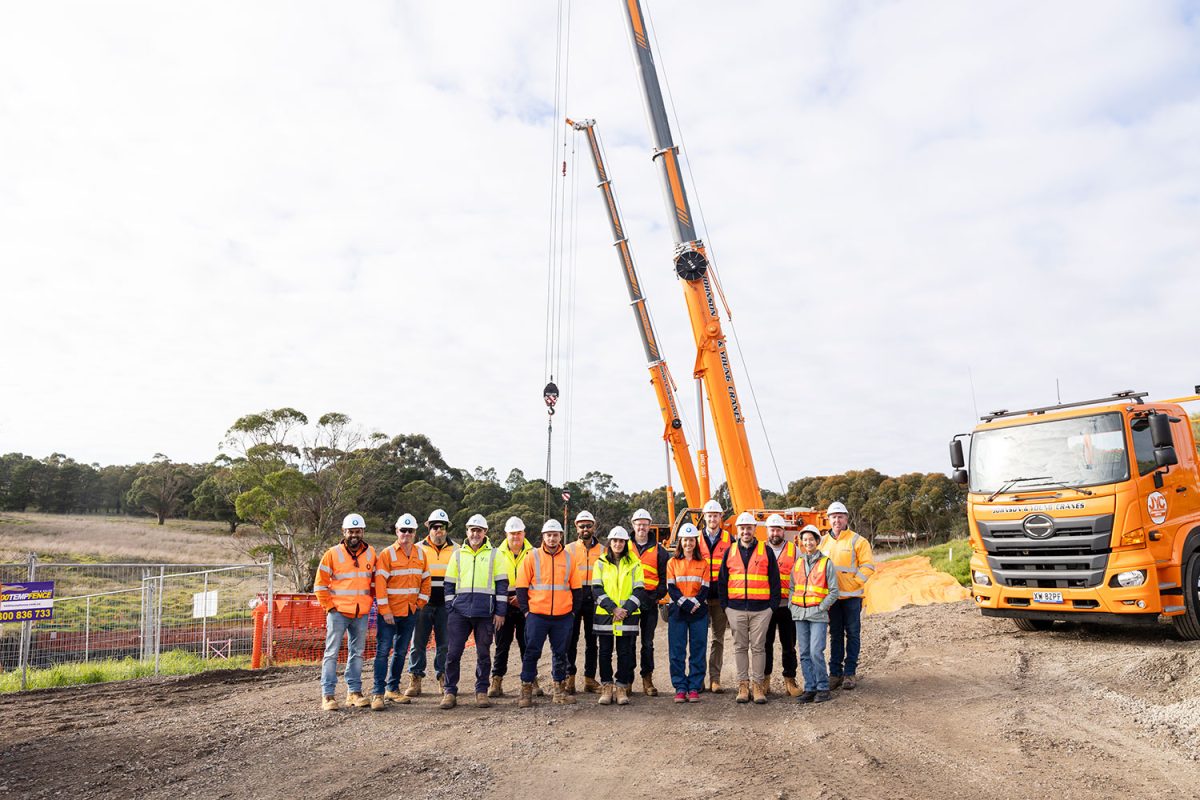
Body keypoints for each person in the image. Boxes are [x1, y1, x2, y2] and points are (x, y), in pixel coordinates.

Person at [440, 514, 507, 709]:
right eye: (472, 530)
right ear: (467, 532)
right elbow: (449, 584)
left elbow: (502, 585)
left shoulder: (495, 554)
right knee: (453, 654)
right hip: (459, 614)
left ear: (485, 532)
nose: (475, 533)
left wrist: (500, 612)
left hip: (485, 614)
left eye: (479, 530)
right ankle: (450, 692)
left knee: (483, 654)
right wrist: (451, 608)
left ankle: (481, 691)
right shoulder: (458, 554)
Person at [515, 519, 584, 707]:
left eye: (555, 535)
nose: (552, 538)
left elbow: (577, 590)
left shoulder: (569, 558)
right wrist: (526, 612)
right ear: (543, 537)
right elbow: (521, 586)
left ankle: (559, 691)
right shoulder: (532, 556)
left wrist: (572, 614)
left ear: (560, 536)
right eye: (548, 535)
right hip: (537, 615)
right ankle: (526, 691)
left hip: (562, 617)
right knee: (531, 652)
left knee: (560, 654)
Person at [314, 513, 377, 711]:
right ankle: (328, 695)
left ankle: (354, 693)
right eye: (351, 531)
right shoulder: (332, 554)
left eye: (358, 531)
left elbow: (375, 582)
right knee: (331, 653)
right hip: (338, 612)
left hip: (361, 613)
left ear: (363, 532)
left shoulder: (371, 553)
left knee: (357, 653)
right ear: (344, 532)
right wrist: (330, 607)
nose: (354, 535)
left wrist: (371, 604)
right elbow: (320, 584)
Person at [718, 511, 781, 704]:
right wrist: (726, 607)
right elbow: (722, 581)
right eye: (742, 528)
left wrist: (772, 607)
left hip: (761, 610)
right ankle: (743, 685)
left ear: (755, 529)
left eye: (749, 528)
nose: (746, 531)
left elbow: (775, 580)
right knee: (740, 647)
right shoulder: (731, 550)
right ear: (738, 530)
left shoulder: (765, 550)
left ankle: (758, 686)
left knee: (759, 648)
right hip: (735, 608)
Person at [370, 513, 430, 710]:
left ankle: (392, 689)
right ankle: (378, 693)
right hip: (389, 613)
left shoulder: (421, 554)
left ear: (415, 533)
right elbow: (380, 584)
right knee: (382, 652)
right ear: (397, 531)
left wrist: (420, 603)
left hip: (410, 611)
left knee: (401, 652)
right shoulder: (387, 554)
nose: (406, 534)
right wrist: (385, 610)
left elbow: (426, 581)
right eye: (403, 530)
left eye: (410, 531)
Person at [820, 501, 877, 690]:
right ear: (828, 519)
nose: (837, 520)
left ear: (846, 518)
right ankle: (835, 674)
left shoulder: (858, 541)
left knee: (852, 634)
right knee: (835, 635)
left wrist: (855, 582)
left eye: (840, 516)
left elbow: (868, 566)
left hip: (852, 598)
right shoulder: (823, 542)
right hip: (833, 599)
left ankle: (850, 673)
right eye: (833, 517)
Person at [592, 525, 647, 706]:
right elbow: (596, 589)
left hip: (627, 616)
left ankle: (622, 686)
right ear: (610, 542)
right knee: (605, 652)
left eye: (621, 541)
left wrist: (625, 610)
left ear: (626, 543)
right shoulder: (600, 562)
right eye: (615, 540)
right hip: (606, 615)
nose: (618, 544)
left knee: (625, 652)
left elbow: (639, 589)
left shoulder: (635, 563)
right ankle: (607, 686)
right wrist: (613, 609)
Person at [406, 508, 454, 698]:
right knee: (418, 643)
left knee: (444, 644)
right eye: (434, 527)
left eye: (441, 527)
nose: (438, 531)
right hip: (423, 604)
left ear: (446, 528)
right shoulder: (417, 548)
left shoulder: (457, 550)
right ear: (429, 528)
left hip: (446, 605)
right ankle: (415, 678)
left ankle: (443, 677)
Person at [790, 524, 838, 703]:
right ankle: (810, 688)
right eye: (805, 539)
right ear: (801, 542)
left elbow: (834, 591)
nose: (808, 542)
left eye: (811, 539)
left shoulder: (826, 563)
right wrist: (792, 607)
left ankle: (823, 688)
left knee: (816, 651)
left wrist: (821, 607)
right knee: (804, 653)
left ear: (817, 541)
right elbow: (792, 588)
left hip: (817, 615)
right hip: (800, 614)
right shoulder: (798, 563)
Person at [490, 515, 534, 698]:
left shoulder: (534, 553)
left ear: (524, 533)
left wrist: (523, 598)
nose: (515, 537)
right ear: (506, 534)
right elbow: (491, 581)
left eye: (518, 533)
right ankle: (496, 680)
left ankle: (530, 681)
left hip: (526, 604)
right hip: (503, 605)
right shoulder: (496, 554)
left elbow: (539, 579)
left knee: (528, 644)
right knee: (502, 644)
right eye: (512, 533)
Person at [665, 522, 709, 702]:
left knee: (698, 650)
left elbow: (705, 588)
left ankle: (694, 687)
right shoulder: (672, 562)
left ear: (695, 542)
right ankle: (680, 687)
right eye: (685, 540)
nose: (688, 544)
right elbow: (671, 588)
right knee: (677, 651)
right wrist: (686, 604)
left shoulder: (703, 563)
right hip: (678, 612)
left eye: (691, 540)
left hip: (699, 613)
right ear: (680, 541)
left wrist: (695, 604)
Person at [564, 509, 604, 694]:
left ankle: (589, 678)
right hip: (574, 597)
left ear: (594, 527)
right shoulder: (569, 549)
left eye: (589, 525)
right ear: (576, 527)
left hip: (595, 598)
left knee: (592, 641)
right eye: (582, 526)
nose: (585, 529)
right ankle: (569, 677)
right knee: (570, 640)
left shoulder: (603, 550)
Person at [697, 498, 734, 692]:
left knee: (717, 639)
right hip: (700, 597)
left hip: (720, 597)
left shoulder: (729, 539)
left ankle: (715, 679)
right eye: (709, 515)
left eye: (716, 515)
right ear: (705, 517)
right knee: (699, 639)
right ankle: (699, 679)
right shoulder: (695, 539)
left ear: (721, 517)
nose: (713, 518)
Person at [630, 508, 669, 696]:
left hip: (649, 602)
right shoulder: (624, 546)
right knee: (627, 642)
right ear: (633, 525)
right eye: (639, 524)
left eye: (645, 524)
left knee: (648, 643)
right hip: (627, 603)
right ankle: (626, 680)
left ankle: (647, 679)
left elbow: (664, 579)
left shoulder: (659, 550)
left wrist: (654, 597)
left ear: (649, 526)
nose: (642, 527)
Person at [762, 514, 801, 697]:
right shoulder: (759, 549)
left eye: (778, 529)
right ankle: (765, 680)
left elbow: (801, 577)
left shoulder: (795, 550)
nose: (775, 533)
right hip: (766, 606)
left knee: (789, 645)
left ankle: (790, 680)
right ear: (767, 530)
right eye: (772, 529)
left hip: (788, 606)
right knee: (765, 644)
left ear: (783, 531)